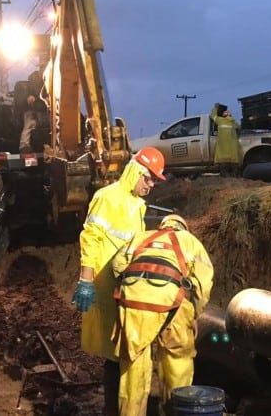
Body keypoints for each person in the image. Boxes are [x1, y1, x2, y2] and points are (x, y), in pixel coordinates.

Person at [72, 146, 167, 415]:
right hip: (104, 283)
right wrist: (86, 280)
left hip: (125, 286)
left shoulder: (137, 204)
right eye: (148, 178)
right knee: (116, 351)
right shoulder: (107, 197)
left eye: (154, 181)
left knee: (123, 348)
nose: (150, 185)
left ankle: (119, 406)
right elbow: (90, 238)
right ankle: (113, 408)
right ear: (136, 171)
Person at [109, 214, 214, 416]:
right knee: (177, 363)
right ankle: (176, 409)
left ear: (162, 225)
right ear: (184, 227)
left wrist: (132, 287)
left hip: (134, 304)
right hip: (172, 304)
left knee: (133, 369)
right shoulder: (191, 241)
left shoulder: (140, 237)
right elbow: (203, 286)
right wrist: (193, 314)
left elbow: (117, 266)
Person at [210, 103, 241, 176]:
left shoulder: (220, 120)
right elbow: (239, 129)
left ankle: (226, 178)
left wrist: (215, 108)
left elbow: (213, 116)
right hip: (233, 151)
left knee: (224, 168)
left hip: (223, 150)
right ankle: (235, 178)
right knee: (235, 168)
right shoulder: (233, 122)